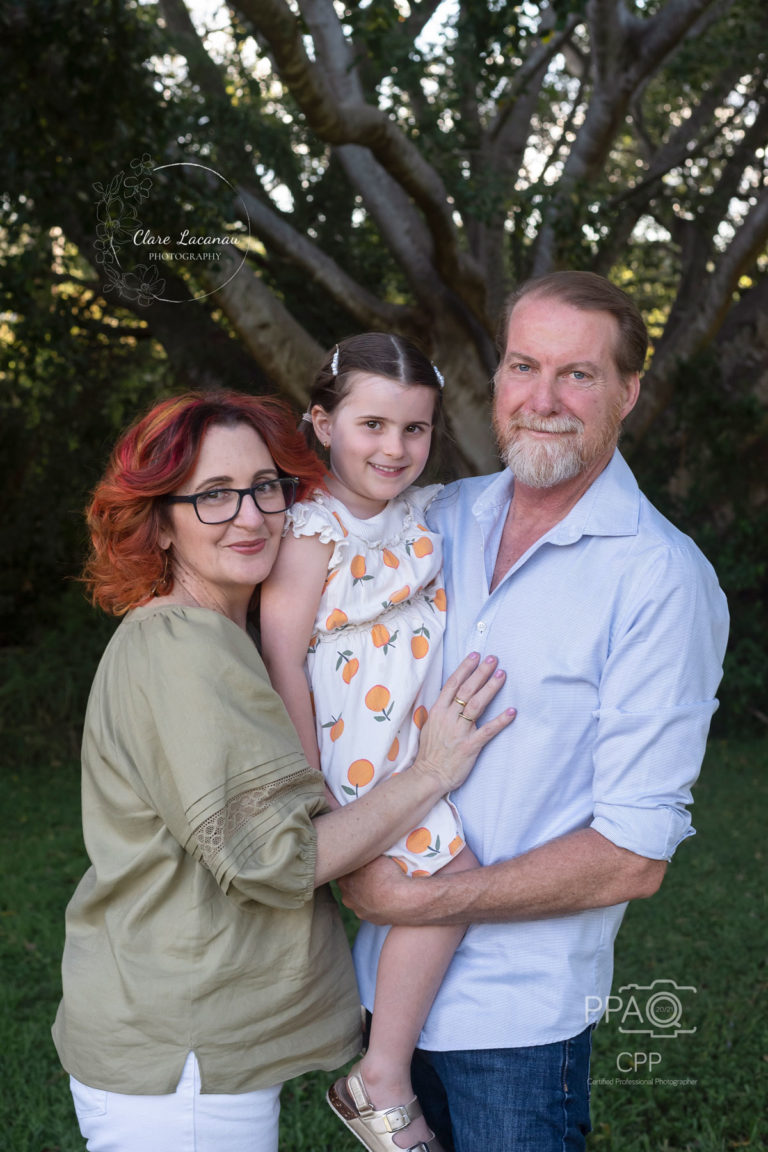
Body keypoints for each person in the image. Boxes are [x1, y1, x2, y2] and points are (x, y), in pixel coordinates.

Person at [51, 389, 515, 1152]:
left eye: (265, 487)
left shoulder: (229, 640)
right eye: (212, 496)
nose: (250, 515)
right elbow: (277, 863)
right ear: (158, 523)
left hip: (196, 1038)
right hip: (181, 1058)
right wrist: (429, 772)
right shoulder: (183, 648)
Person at [340, 272, 730, 1152]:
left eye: (579, 375)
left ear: (628, 392)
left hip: (515, 1024)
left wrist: (413, 898)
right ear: (497, 379)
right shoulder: (434, 517)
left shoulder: (659, 579)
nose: (543, 400)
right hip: (372, 994)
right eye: (524, 366)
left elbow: (633, 855)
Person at [260, 334, 483, 1152]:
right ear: (322, 422)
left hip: (404, 739)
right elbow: (282, 652)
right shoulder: (312, 529)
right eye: (372, 425)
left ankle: (380, 1053)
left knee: (419, 884)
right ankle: (379, 1074)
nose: (394, 448)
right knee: (451, 878)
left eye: (415, 430)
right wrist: (308, 779)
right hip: (354, 752)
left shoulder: (421, 514)